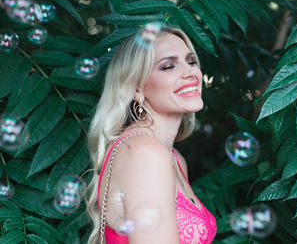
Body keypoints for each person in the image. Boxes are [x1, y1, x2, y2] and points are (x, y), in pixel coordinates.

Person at [86, 24, 217, 244]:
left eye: (191, 61)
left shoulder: (173, 158)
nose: (190, 73)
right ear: (136, 88)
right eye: (169, 66)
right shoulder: (145, 154)